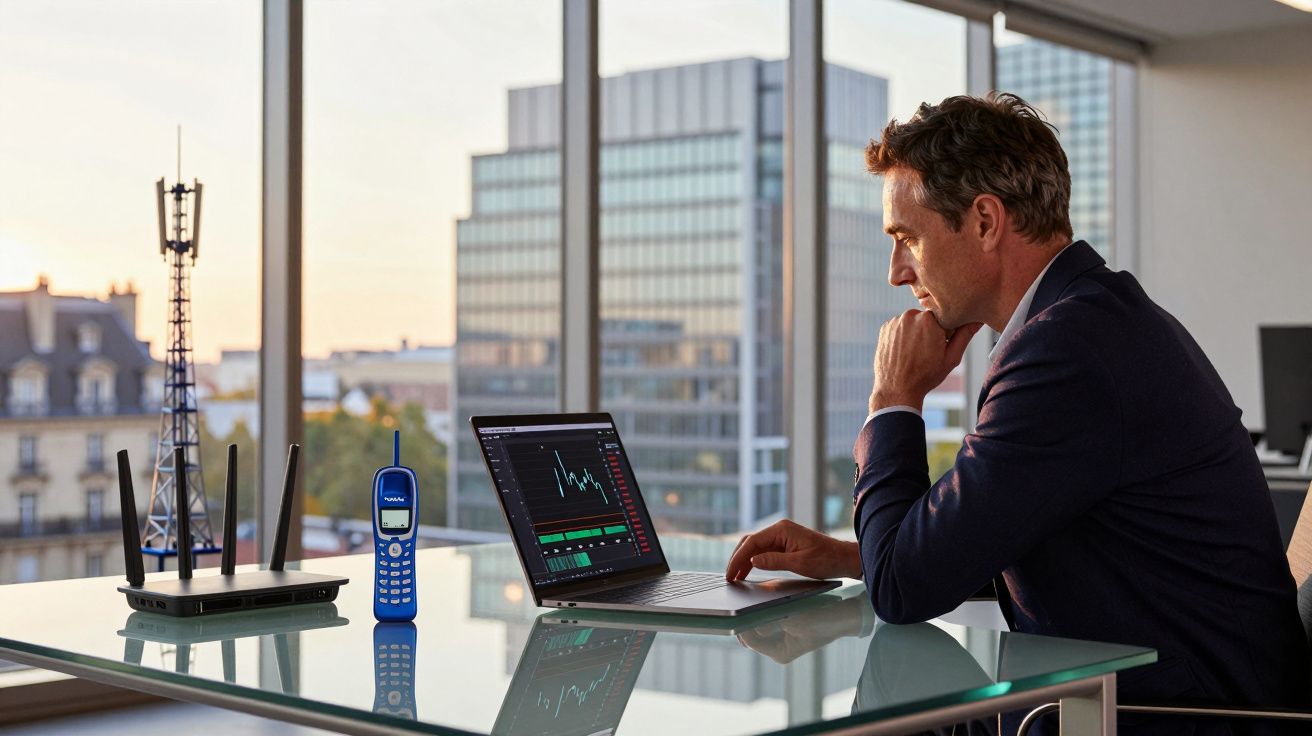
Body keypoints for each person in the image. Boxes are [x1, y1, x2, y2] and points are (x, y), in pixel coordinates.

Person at [724, 93, 1309, 711]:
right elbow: (1009, 532)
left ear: (984, 221)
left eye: (907, 238)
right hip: (1161, 694)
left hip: (1180, 717)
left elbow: (905, 590)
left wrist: (894, 399)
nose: (896, 272)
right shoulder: (1093, 319)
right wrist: (853, 556)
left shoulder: (1066, 354)